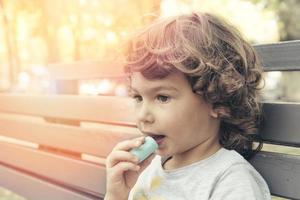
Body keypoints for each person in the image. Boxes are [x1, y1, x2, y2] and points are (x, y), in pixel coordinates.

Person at [104, 12, 271, 200]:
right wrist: (116, 195)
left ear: (217, 101)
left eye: (162, 97)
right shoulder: (147, 170)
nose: (143, 115)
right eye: (138, 97)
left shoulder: (231, 180)